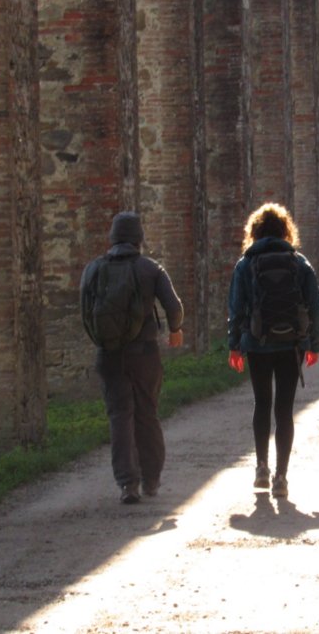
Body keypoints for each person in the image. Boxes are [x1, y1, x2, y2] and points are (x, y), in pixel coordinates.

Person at [83, 211, 184, 505]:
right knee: (146, 413)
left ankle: (128, 484)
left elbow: (84, 310)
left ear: (112, 238)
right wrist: (175, 330)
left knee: (119, 416)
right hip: (144, 353)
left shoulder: (92, 269)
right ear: (139, 238)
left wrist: (103, 340)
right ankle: (151, 479)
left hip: (109, 354)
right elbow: (174, 307)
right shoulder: (150, 268)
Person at [227, 203, 319, 499]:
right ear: (285, 231)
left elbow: (236, 308)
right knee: (284, 408)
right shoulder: (299, 262)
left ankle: (261, 468)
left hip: (257, 343)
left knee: (262, 404)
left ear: (254, 232)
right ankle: (281, 476)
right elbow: (314, 306)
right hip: (291, 343)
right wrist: (313, 345)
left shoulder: (245, 264)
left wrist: (234, 346)